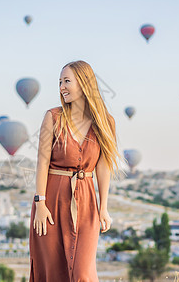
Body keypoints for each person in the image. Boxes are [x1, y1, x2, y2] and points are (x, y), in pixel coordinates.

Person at [29, 60, 122, 281]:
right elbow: (42, 163)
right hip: (50, 204)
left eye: (67, 81)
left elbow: (103, 166)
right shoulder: (53, 117)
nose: (61, 87)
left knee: (83, 272)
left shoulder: (106, 122)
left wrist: (103, 207)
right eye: (60, 82)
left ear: (84, 84)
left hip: (87, 202)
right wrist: (40, 203)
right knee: (53, 270)